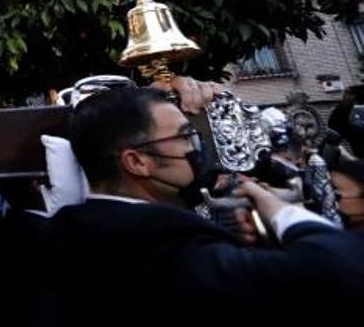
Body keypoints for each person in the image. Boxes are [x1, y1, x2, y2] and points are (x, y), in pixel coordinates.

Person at [41, 86, 364, 325]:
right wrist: (282, 214)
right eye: (184, 138)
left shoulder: (75, 229)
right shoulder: (158, 247)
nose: (195, 149)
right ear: (137, 161)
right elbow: (340, 270)